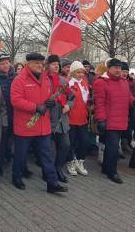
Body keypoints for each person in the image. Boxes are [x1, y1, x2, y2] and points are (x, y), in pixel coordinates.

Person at [11, 52, 68, 194]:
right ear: (28, 64)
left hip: (43, 125)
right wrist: (35, 107)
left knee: (47, 155)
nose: (39, 65)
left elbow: (51, 96)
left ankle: (52, 183)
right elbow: (16, 101)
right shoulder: (19, 80)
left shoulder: (46, 79)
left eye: (41, 63)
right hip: (26, 125)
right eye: (36, 63)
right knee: (21, 155)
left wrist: (51, 101)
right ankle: (16, 177)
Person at [93, 58, 134, 184]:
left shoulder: (124, 82)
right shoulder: (101, 82)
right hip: (109, 121)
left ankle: (106, 168)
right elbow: (99, 103)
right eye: (115, 67)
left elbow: (128, 97)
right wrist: (101, 120)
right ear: (109, 68)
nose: (118, 70)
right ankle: (112, 172)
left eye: (119, 68)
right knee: (113, 148)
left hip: (121, 120)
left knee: (112, 147)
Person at [45, 55, 73, 183]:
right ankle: (48, 172)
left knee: (65, 145)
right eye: (53, 64)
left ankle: (58, 168)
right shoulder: (43, 80)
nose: (56, 66)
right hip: (48, 120)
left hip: (62, 120)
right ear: (47, 66)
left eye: (57, 64)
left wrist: (68, 105)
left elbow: (72, 97)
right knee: (49, 150)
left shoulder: (63, 81)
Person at [0, 53, 17, 176]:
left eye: (7, 62)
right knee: (2, 140)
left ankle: (10, 157)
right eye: (2, 63)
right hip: (2, 113)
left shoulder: (15, 76)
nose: (6, 65)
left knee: (13, 139)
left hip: (16, 113)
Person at [66, 61, 90, 177]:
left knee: (84, 141)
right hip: (71, 119)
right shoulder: (69, 83)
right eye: (78, 72)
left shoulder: (84, 82)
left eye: (82, 72)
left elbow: (86, 99)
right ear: (73, 72)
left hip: (83, 118)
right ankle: (70, 161)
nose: (81, 74)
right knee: (71, 142)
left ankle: (80, 161)